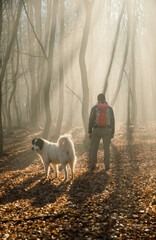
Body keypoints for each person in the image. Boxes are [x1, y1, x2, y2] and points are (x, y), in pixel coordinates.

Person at [88, 93, 115, 171]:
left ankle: (93, 165)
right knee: (106, 148)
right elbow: (112, 121)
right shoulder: (109, 109)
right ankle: (107, 165)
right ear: (105, 99)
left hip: (96, 130)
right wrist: (112, 132)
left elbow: (90, 120)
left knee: (94, 148)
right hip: (106, 130)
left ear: (97, 100)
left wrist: (90, 132)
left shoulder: (94, 108)